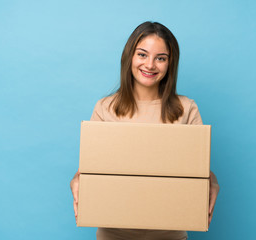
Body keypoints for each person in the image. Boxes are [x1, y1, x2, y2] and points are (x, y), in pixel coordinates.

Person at [70, 21, 220, 240]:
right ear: (129, 57)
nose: (150, 65)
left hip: (170, 233)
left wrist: (213, 182)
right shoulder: (105, 108)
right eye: (142, 54)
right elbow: (92, 171)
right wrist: (76, 179)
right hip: (114, 234)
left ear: (170, 64)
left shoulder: (186, 109)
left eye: (161, 58)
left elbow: (197, 171)